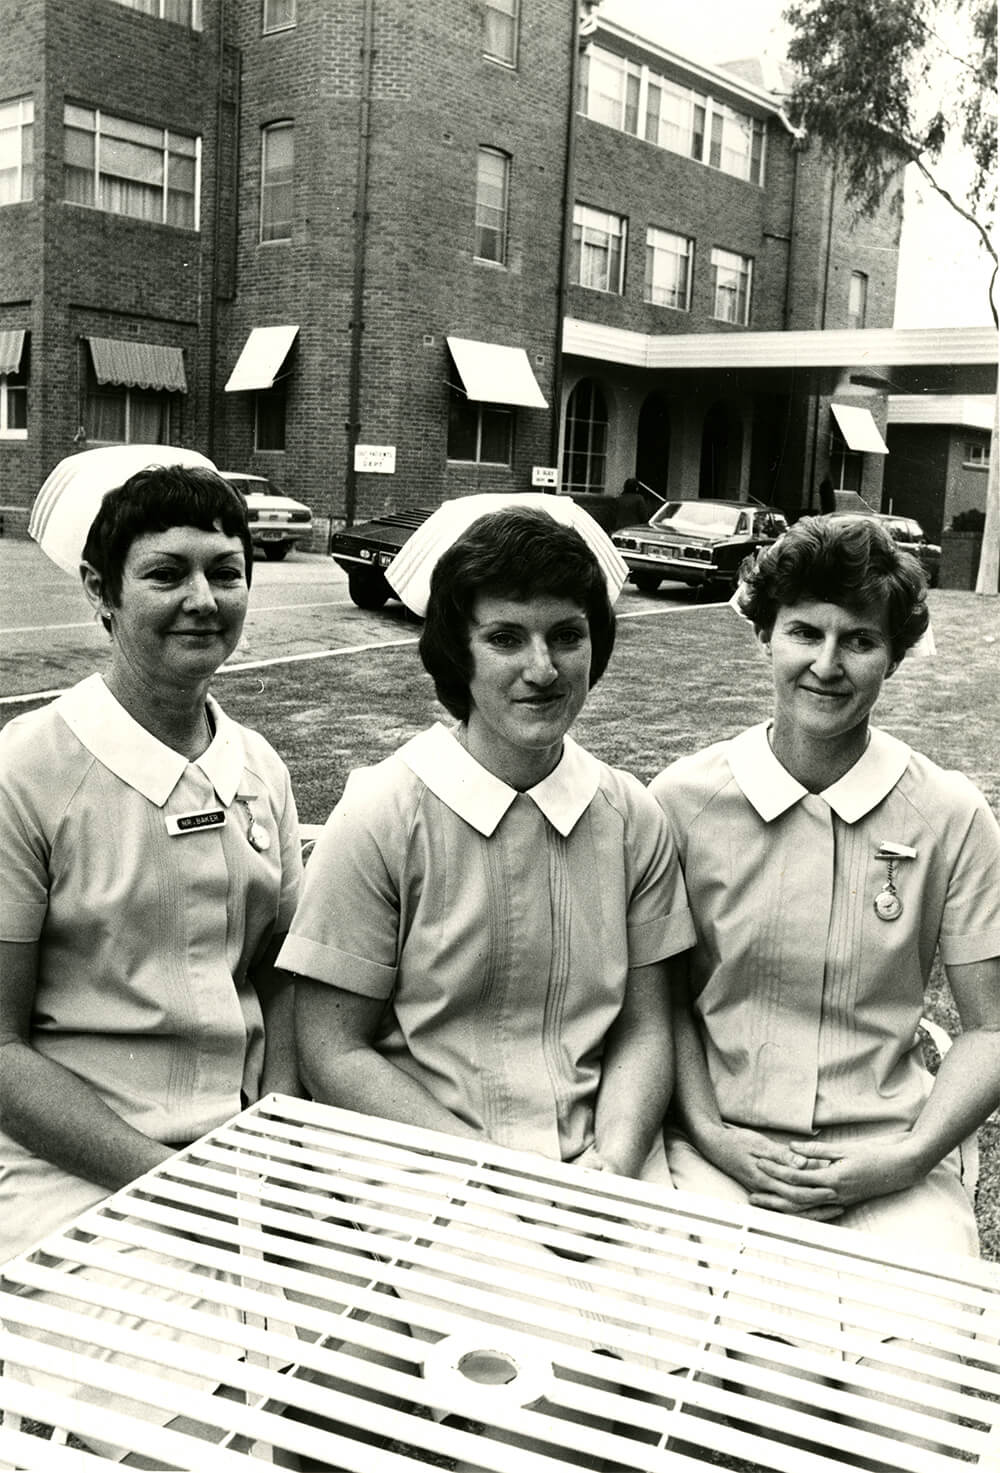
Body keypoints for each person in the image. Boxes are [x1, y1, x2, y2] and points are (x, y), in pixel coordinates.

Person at [277, 502, 696, 1431]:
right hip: (429, 1160)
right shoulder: (385, 811)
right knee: (536, 1402)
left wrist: (614, 1166)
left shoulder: (630, 814)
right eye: (505, 636)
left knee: (671, 1382)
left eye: (567, 635)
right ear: (456, 654)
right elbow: (332, 1047)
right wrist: (498, 1178)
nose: (542, 668)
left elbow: (646, 1024)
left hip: (601, 1155)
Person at [650, 515, 1000, 1429]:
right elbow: (662, 1007)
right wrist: (718, 1140)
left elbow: (992, 1027)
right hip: (721, 1155)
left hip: (889, 1152)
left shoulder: (950, 812)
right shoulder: (682, 800)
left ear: (896, 654)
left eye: (861, 639)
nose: (827, 663)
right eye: (805, 631)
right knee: (772, 1404)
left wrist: (907, 1157)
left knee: (915, 1407)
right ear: (764, 631)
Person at [0, 459, 302, 1449]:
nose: (204, 599)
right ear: (99, 591)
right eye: (165, 573)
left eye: (227, 569)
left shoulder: (256, 766)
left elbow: (269, 985)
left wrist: (276, 1163)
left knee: (276, 1423)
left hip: (232, 1168)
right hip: (77, 1165)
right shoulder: (28, 771)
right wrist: (170, 1186)